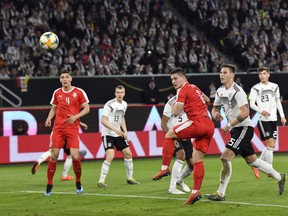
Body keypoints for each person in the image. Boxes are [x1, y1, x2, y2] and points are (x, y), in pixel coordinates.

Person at [205, 64, 286, 202]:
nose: (221, 75)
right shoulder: (219, 91)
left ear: (232, 75)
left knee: (225, 157)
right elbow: (215, 108)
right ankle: (280, 177)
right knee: (253, 161)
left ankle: (220, 193)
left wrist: (229, 124)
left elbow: (245, 112)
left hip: (244, 128)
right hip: (236, 130)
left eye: (224, 72)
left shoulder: (238, 91)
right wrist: (215, 114)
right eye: (220, 72)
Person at [153, 68, 214, 205]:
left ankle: (164, 169)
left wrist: (176, 104)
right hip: (209, 125)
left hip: (197, 122)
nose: (173, 82)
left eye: (175, 78)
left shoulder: (182, 90)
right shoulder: (194, 87)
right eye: (171, 80)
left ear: (183, 78)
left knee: (169, 134)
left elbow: (175, 113)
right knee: (197, 160)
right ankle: (195, 192)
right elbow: (208, 99)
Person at [44, 70, 90, 196]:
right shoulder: (57, 92)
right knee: (54, 156)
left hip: (72, 128)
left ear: (71, 79)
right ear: (60, 80)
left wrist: (76, 117)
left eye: (66, 77)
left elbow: (87, 108)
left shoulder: (79, 92)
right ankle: (49, 184)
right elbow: (54, 108)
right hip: (58, 128)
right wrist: (49, 118)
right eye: (62, 77)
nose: (64, 79)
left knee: (75, 156)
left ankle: (78, 183)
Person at [98, 85, 140, 187]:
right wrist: (116, 130)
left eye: (121, 92)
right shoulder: (110, 104)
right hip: (108, 134)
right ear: (115, 93)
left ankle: (130, 178)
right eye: (118, 92)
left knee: (128, 154)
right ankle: (101, 181)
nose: (119, 94)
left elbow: (122, 118)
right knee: (110, 155)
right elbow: (103, 120)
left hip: (118, 134)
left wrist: (125, 131)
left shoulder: (124, 104)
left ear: (124, 93)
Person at [249, 67, 287, 179]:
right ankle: (270, 169)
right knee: (270, 145)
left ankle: (257, 164)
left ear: (268, 75)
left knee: (271, 146)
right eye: (260, 74)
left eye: (264, 73)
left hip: (273, 119)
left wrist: (283, 116)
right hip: (263, 119)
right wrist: (261, 111)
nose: (262, 75)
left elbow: (277, 102)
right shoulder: (255, 88)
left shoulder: (274, 86)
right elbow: (251, 103)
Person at [152, 95, 193, 195]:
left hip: (185, 135)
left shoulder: (191, 100)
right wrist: (170, 136)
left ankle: (180, 180)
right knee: (181, 155)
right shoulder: (170, 103)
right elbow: (163, 123)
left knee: (192, 164)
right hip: (174, 134)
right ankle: (172, 187)